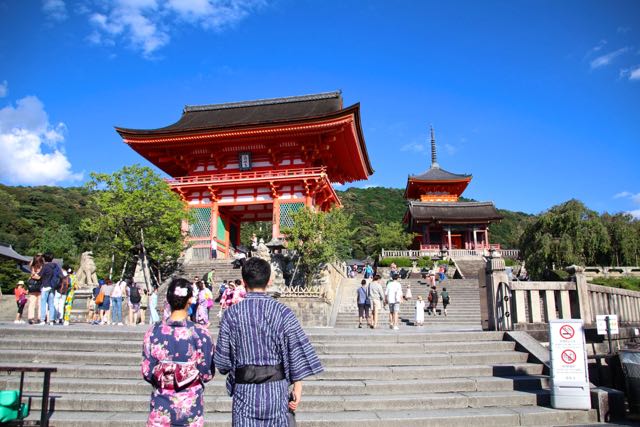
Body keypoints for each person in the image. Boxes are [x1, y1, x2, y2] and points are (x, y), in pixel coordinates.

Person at [214, 257, 324, 426]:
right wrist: (297, 386)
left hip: (245, 392)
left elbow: (222, 364)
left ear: (243, 282)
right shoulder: (283, 312)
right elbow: (295, 351)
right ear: (269, 281)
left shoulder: (231, 314)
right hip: (276, 392)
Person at [141, 278, 215, 426]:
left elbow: (147, 371)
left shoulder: (153, 332)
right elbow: (206, 373)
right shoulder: (200, 333)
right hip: (191, 404)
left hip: (161, 403)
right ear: (190, 300)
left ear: (168, 299)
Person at [39, 253, 61, 325]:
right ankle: (51, 320)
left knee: (43, 303)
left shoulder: (45, 266)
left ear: (45, 259)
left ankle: (42, 320)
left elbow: (39, 276)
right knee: (51, 304)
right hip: (52, 287)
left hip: (45, 286)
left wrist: (33, 274)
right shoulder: (55, 266)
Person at [26, 254, 43, 324]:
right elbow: (30, 264)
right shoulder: (33, 266)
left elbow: (38, 277)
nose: (37, 263)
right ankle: (31, 317)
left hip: (40, 286)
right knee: (32, 302)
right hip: (33, 287)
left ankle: (39, 317)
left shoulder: (42, 266)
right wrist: (35, 258)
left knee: (40, 303)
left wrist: (34, 275)